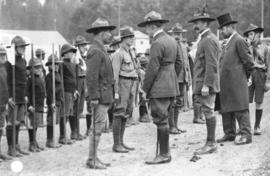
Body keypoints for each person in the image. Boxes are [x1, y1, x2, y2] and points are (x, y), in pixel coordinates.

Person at [138, 11, 181, 164]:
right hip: (171, 86)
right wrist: (171, 78)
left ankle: (163, 154)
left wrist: (144, 89)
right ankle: (165, 152)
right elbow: (179, 63)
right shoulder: (172, 40)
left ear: (151, 26)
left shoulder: (157, 43)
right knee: (165, 119)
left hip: (159, 88)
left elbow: (152, 68)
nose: (146, 31)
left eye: (146, 27)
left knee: (160, 120)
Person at [216, 13, 254, 145]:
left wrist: (244, 78)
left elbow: (249, 62)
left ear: (230, 27)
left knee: (240, 108)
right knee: (226, 108)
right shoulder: (228, 42)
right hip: (226, 83)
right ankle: (229, 133)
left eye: (222, 29)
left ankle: (246, 135)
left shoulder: (238, 40)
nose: (221, 31)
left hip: (237, 82)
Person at [188, 7, 220, 155]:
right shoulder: (205, 38)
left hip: (206, 84)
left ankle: (211, 143)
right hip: (202, 83)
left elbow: (212, 64)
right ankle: (210, 142)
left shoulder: (208, 39)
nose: (195, 25)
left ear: (205, 23)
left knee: (208, 111)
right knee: (208, 111)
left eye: (198, 22)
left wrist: (206, 84)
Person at [85, 18, 115, 169]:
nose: (110, 35)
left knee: (97, 128)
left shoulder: (100, 48)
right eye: (108, 32)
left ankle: (94, 157)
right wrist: (94, 97)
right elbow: (91, 77)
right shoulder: (95, 51)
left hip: (104, 95)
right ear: (102, 33)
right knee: (96, 129)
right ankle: (92, 160)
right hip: (100, 96)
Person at [111, 26, 138, 153]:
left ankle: (121, 142)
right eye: (130, 37)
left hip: (131, 84)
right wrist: (115, 92)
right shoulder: (118, 54)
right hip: (122, 85)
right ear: (123, 39)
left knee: (126, 112)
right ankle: (116, 144)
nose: (132, 39)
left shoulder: (130, 52)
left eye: (132, 37)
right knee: (119, 113)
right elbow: (115, 75)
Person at [5, 35, 30, 157]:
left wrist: (25, 94)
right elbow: (7, 80)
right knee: (11, 122)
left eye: (24, 47)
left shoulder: (23, 60)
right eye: (20, 47)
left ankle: (16, 145)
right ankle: (10, 148)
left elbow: (24, 79)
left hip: (21, 94)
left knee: (18, 122)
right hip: (13, 95)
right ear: (14, 47)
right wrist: (9, 97)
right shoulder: (9, 62)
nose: (23, 49)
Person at [243, 24, 270, 135]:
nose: (249, 37)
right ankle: (246, 127)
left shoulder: (266, 48)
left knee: (259, 101)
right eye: (248, 35)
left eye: (251, 34)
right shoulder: (245, 47)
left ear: (257, 34)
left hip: (260, 74)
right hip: (249, 74)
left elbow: (269, 66)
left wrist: (268, 81)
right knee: (245, 101)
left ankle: (257, 126)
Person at [169, 23, 191, 134]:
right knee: (172, 102)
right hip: (173, 79)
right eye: (175, 33)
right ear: (172, 34)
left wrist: (188, 78)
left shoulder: (183, 46)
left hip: (183, 78)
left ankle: (175, 126)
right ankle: (171, 126)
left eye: (179, 34)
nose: (178, 35)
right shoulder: (170, 45)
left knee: (179, 102)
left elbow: (186, 64)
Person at [59, 44, 78, 145]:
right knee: (64, 114)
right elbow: (61, 80)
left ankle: (68, 134)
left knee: (70, 113)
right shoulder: (61, 64)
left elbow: (73, 78)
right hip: (65, 91)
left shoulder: (72, 64)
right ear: (65, 53)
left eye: (72, 52)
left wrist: (74, 90)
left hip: (71, 91)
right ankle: (62, 136)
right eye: (70, 51)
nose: (72, 53)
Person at [73, 35, 91, 140]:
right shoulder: (75, 58)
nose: (85, 47)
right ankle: (75, 131)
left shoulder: (85, 57)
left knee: (84, 107)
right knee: (77, 108)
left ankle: (84, 130)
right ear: (78, 46)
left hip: (85, 81)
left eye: (85, 45)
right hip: (78, 82)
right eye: (83, 45)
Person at [26, 58, 46, 152]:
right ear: (31, 69)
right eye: (36, 67)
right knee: (32, 125)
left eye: (40, 67)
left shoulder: (39, 78)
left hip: (39, 105)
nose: (39, 69)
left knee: (36, 124)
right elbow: (27, 93)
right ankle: (32, 144)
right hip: (33, 105)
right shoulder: (30, 79)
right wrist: (29, 105)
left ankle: (35, 142)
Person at [45, 54, 63, 148]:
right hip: (52, 101)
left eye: (57, 64)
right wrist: (52, 102)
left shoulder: (58, 74)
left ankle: (52, 140)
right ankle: (49, 140)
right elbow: (49, 91)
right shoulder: (49, 76)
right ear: (49, 66)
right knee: (51, 121)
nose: (56, 66)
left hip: (58, 100)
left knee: (55, 120)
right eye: (54, 64)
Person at [0, 45, 12, 161]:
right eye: (0, 55)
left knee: (0, 128)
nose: (3, 56)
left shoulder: (4, 68)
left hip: (3, 103)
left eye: (4, 54)